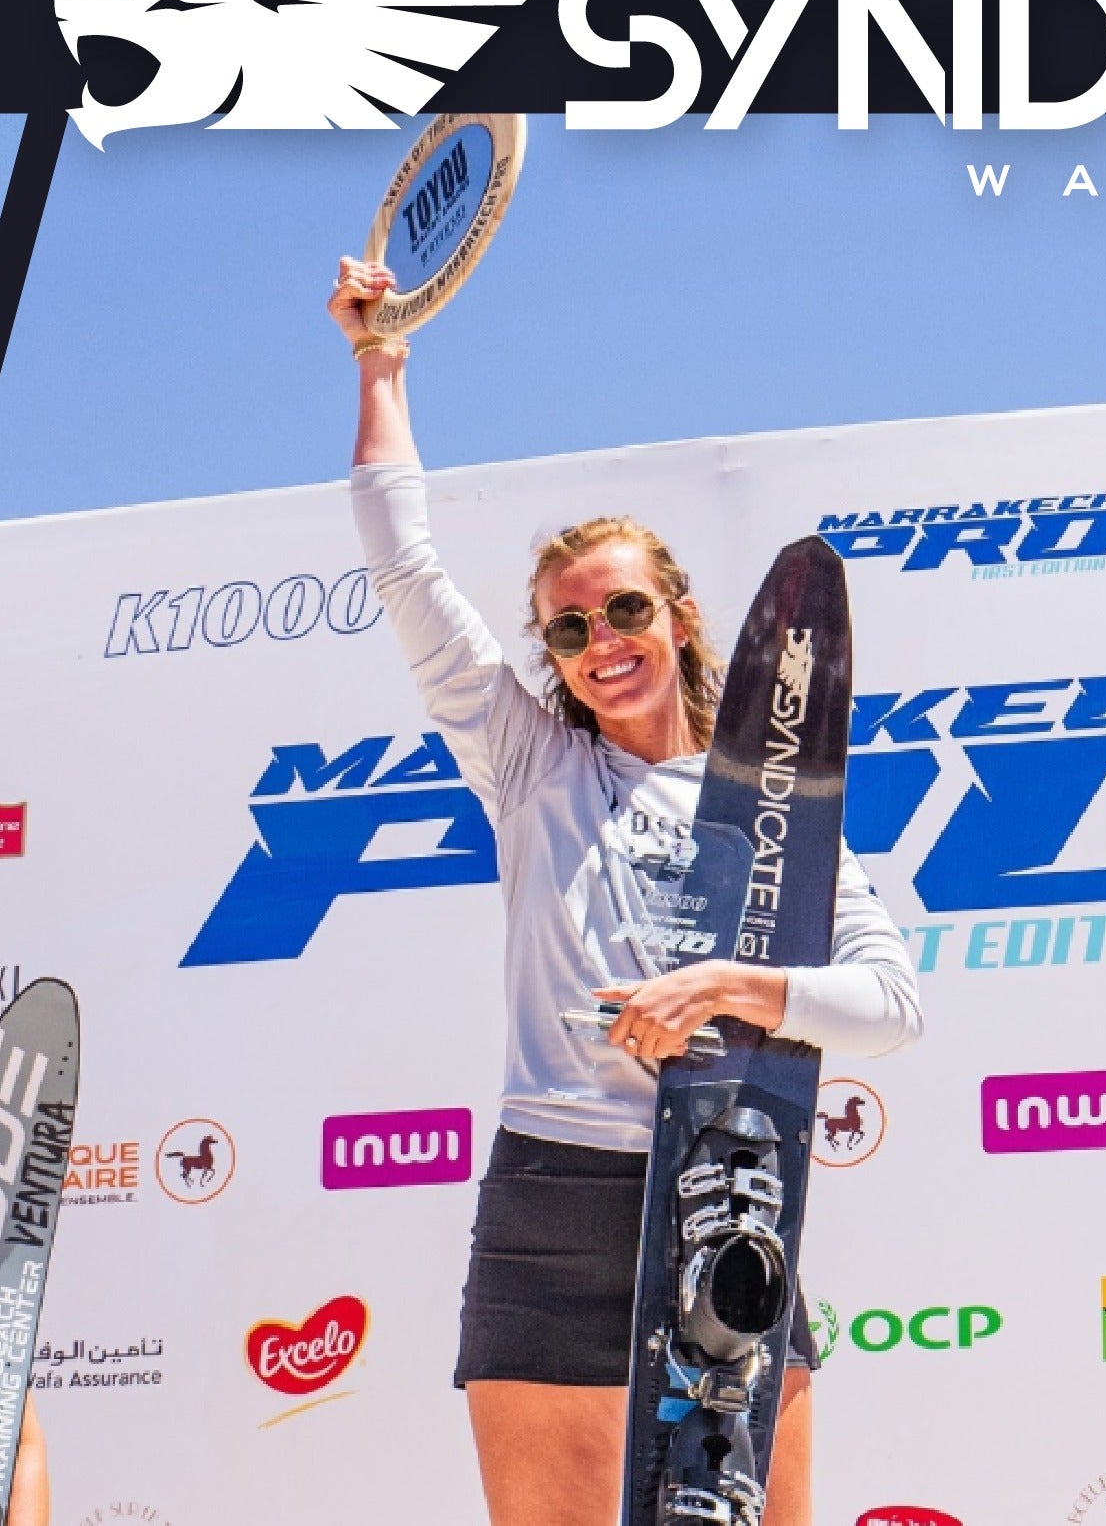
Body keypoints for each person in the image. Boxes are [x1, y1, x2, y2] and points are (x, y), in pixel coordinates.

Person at [328, 256, 923, 1526]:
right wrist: (381, 359)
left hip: (732, 1183)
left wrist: (730, 990)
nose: (601, 644)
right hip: (557, 1188)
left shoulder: (778, 805)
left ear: (681, 615)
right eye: (566, 629)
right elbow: (400, 565)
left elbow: (888, 1004)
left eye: (624, 610)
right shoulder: (533, 760)